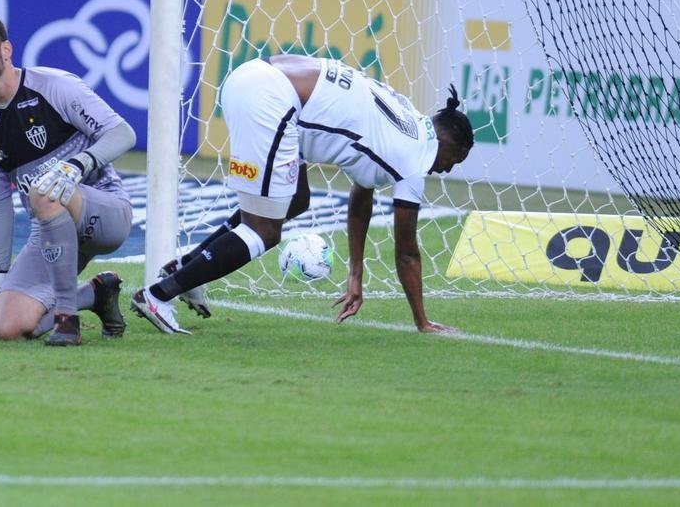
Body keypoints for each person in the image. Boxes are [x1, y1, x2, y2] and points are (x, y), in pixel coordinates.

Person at [132, 54, 473, 335]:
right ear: (446, 143)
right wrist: (422, 322)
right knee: (264, 229)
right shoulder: (416, 159)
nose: (446, 170)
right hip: (271, 101)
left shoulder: (408, 117)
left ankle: (186, 270)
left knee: (296, 199)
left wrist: (355, 275)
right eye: (454, 160)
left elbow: (361, 194)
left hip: (256, 80)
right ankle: (158, 296)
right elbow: (407, 255)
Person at [0, 11, 136, 346]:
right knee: (6, 328)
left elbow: (123, 133)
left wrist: (78, 165)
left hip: (105, 210)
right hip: (50, 228)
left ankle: (67, 321)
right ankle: (97, 294)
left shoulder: (54, 86)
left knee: (45, 188)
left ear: (6, 50)